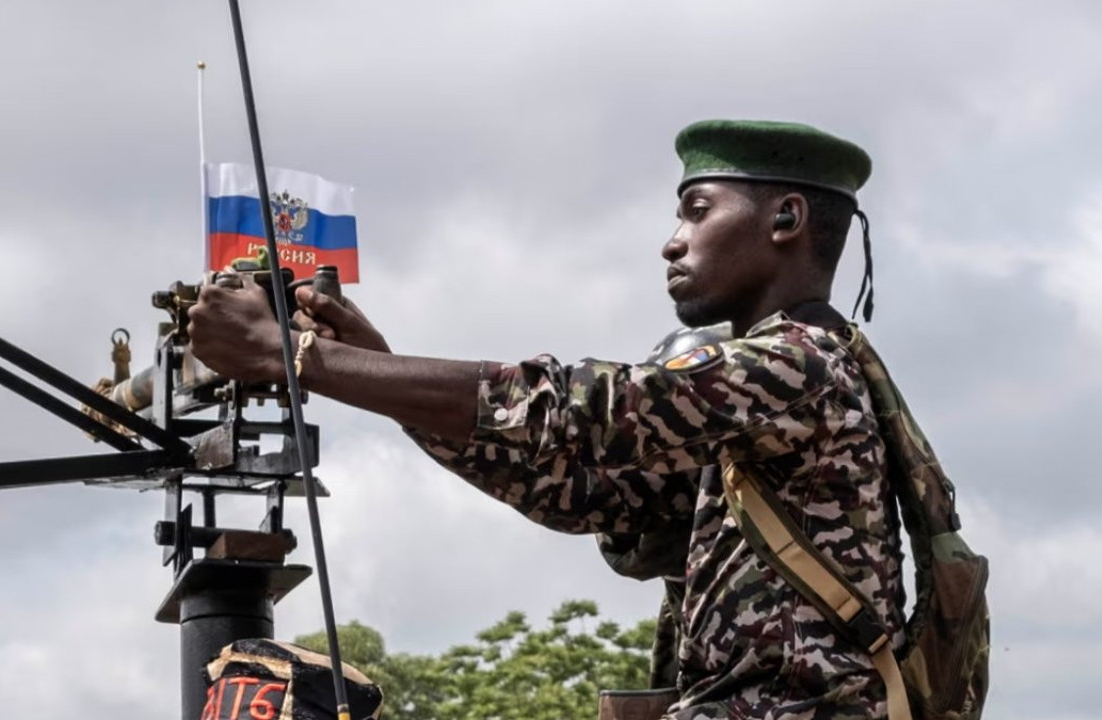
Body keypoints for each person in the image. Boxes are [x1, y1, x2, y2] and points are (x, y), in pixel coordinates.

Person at [189, 119, 905, 719]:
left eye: (696, 211)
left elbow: (575, 409)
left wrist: (297, 358)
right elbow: (573, 491)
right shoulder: (761, 408)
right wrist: (376, 371)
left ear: (786, 219)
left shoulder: (797, 365)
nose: (672, 241)